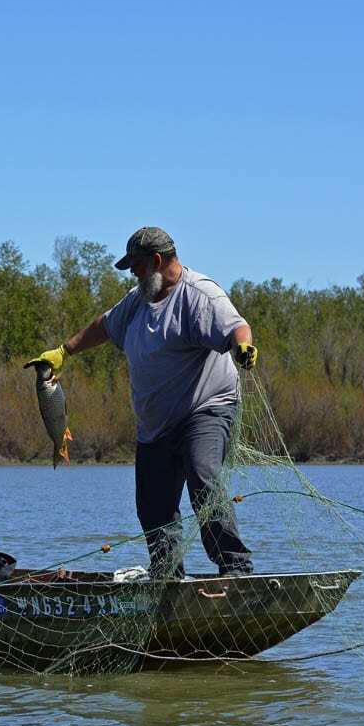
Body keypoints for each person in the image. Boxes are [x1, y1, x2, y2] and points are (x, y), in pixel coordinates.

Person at [27, 227, 258, 578]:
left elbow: (237, 327)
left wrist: (243, 346)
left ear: (157, 261)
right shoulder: (138, 300)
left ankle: (236, 569)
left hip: (206, 408)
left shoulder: (199, 295)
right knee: (152, 507)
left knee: (203, 477)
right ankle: (166, 576)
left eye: (136, 266)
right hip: (155, 425)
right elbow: (104, 326)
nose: (133, 273)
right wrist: (65, 351)